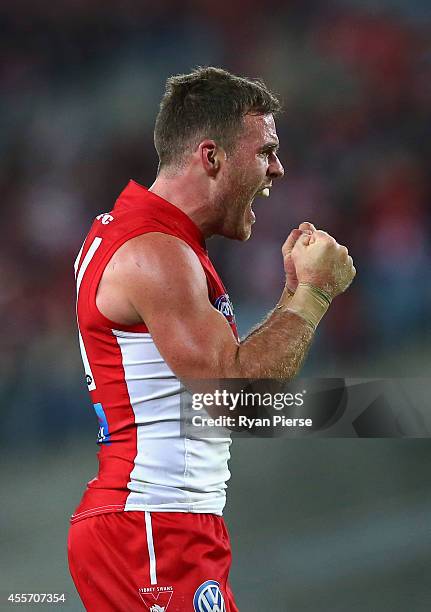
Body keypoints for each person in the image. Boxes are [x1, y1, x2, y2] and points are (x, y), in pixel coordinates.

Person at [68, 66, 355, 611]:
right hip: (151, 529)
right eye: (266, 150)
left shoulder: (148, 238)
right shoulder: (155, 251)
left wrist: (294, 297)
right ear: (211, 156)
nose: (279, 168)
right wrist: (312, 295)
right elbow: (235, 402)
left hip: (158, 527)